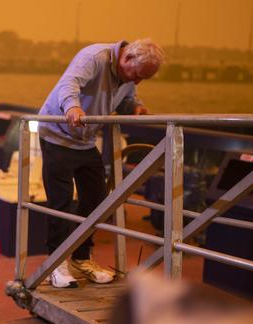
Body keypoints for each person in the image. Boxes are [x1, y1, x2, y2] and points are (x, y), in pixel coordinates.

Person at [38, 39, 164, 288]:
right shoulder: (94, 57)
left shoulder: (127, 77)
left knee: (96, 199)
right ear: (126, 59)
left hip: (84, 141)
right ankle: (56, 262)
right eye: (136, 75)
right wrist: (73, 107)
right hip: (57, 134)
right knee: (60, 202)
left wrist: (135, 107)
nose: (136, 82)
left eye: (142, 79)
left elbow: (126, 99)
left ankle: (81, 257)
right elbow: (69, 83)